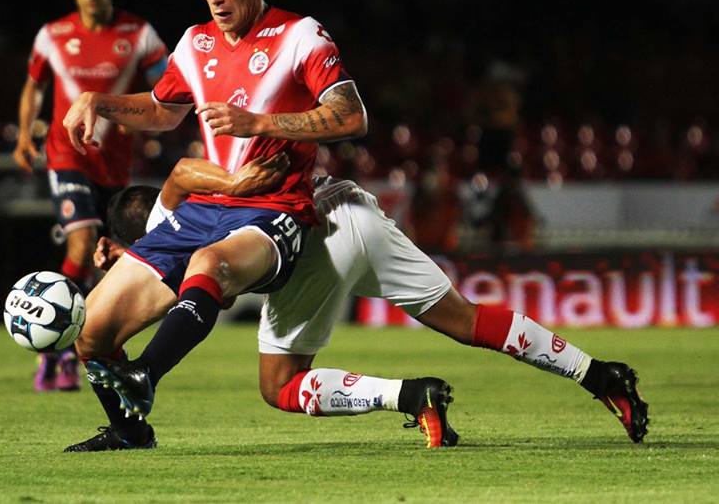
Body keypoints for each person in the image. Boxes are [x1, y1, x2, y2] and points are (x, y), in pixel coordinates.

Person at [66, 157, 648, 452]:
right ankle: (600, 374)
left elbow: (152, 300)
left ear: (122, 245)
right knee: (468, 319)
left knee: (280, 385)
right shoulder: (190, 205)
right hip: (357, 210)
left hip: (315, 240)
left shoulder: (166, 239)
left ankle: (412, 395)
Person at [61, 0, 368, 434]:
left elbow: (352, 116)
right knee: (90, 331)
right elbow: (161, 111)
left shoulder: (300, 35)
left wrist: (262, 123)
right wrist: (99, 101)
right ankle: (128, 431)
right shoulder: (195, 42)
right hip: (203, 208)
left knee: (210, 263)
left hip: (273, 210)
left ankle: (146, 374)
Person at [13, 0, 169, 392]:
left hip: (115, 164)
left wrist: (148, 117)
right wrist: (25, 135)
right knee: (82, 244)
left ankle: (93, 349)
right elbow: (33, 87)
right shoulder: (53, 34)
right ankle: (56, 353)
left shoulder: (138, 34)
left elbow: (169, 85)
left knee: (106, 258)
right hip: (67, 156)